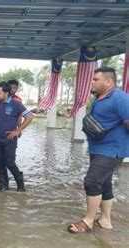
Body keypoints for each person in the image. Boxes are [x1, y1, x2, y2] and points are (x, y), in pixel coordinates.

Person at [68, 67, 129, 233]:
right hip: (98, 148)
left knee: (92, 181)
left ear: (108, 81)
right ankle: (105, 220)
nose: (92, 82)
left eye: (95, 80)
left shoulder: (120, 98)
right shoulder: (101, 97)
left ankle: (88, 220)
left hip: (111, 150)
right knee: (104, 183)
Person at [0, 82, 34, 192]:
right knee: (0, 162)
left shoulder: (16, 104)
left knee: (10, 163)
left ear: (6, 93)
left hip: (10, 139)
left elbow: (29, 116)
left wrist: (18, 130)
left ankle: (20, 186)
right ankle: (3, 186)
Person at [0, 79, 23, 174]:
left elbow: (20, 115)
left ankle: (18, 178)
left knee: (10, 157)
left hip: (11, 132)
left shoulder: (17, 101)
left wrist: (19, 129)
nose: (12, 89)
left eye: (14, 88)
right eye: (11, 87)